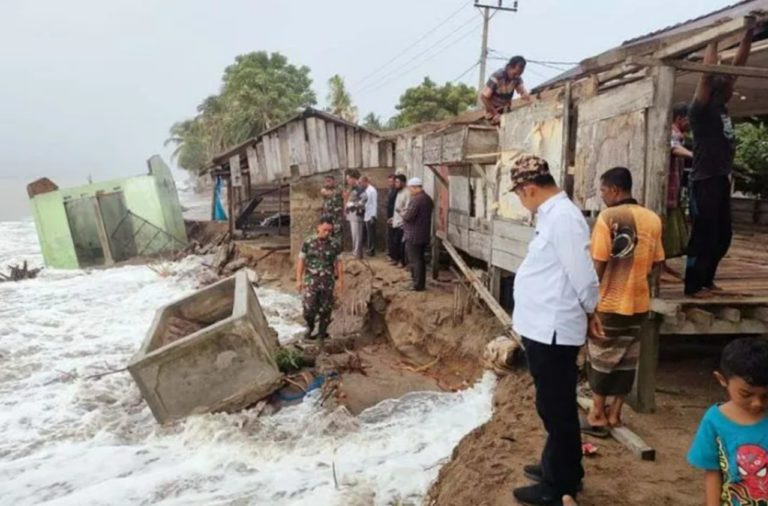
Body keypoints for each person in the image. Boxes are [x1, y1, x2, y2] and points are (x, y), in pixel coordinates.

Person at [509, 155, 601, 505]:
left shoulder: (563, 218)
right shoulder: (553, 216)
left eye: (520, 195)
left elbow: (582, 272)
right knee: (553, 405)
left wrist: (592, 309)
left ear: (529, 189)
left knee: (557, 408)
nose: (522, 202)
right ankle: (560, 467)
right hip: (543, 327)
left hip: (553, 330)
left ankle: (557, 486)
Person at [588, 167, 665, 429]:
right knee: (627, 358)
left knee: (600, 355)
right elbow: (658, 263)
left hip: (610, 300)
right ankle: (615, 413)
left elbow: (599, 262)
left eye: (602, 191)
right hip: (639, 301)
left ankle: (597, 412)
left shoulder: (608, 217)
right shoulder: (653, 219)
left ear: (614, 190)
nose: (602, 196)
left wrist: (588, 299)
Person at [685, 22, 757, 298]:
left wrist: (749, 31)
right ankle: (693, 285)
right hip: (703, 181)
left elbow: (740, 61)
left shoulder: (722, 106)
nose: (732, 84)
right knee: (703, 234)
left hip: (720, 179)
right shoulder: (700, 111)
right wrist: (713, 40)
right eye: (728, 83)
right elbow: (705, 76)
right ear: (718, 88)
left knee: (722, 236)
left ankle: (707, 280)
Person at [687, 337, 768, 505]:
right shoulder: (714, 421)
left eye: (766, 396)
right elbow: (712, 472)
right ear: (722, 380)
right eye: (746, 394)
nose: (757, 403)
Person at [296, 217, 344, 341]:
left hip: (327, 282)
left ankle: (322, 334)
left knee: (325, 309)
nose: (327, 233)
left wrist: (341, 281)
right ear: (318, 228)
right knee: (308, 307)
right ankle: (310, 327)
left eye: (329, 231)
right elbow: (301, 260)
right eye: (325, 230)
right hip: (311, 280)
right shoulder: (308, 242)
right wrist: (299, 279)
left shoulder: (335, 244)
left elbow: (339, 263)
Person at [664, 103, 693, 278]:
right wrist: (693, 155)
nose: (690, 124)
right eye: (688, 120)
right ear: (680, 119)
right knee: (664, 230)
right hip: (665, 191)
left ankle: (662, 264)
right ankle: (658, 266)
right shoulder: (672, 132)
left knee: (667, 231)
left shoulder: (680, 135)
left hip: (672, 192)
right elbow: (673, 148)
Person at [400, 177, 433, 292]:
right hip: (423, 234)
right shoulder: (428, 199)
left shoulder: (416, 200)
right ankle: (419, 283)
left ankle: (417, 285)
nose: (410, 191)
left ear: (415, 187)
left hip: (413, 235)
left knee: (415, 260)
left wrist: (402, 212)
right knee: (420, 259)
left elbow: (409, 216)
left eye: (410, 188)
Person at [481, 55, 530, 125]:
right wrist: (495, 114)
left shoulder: (517, 78)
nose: (517, 76)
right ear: (509, 68)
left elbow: (522, 91)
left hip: (505, 112)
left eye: (519, 74)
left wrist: (524, 94)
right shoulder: (497, 76)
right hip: (492, 112)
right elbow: (484, 97)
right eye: (515, 74)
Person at [344, 170, 367, 258]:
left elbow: (364, 199)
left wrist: (353, 205)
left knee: (357, 234)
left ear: (353, 179)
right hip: (352, 214)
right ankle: (355, 251)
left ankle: (357, 253)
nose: (347, 181)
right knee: (354, 234)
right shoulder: (352, 188)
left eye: (349, 179)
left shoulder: (359, 188)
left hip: (357, 214)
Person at [389, 174, 409, 267]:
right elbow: (397, 208)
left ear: (403, 182)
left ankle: (402, 261)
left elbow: (407, 209)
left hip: (402, 222)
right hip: (396, 221)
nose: (395, 183)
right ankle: (395, 259)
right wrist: (393, 218)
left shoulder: (407, 193)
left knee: (402, 244)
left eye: (397, 182)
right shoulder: (399, 192)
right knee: (395, 242)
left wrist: (401, 215)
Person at [320, 175, 344, 251]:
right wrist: (336, 192)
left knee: (337, 231)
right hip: (327, 214)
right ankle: (327, 247)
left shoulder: (339, 189)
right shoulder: (324, 189)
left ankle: (337, 248)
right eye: (326, 181)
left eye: (329, 181)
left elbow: (344, 195)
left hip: (337, 214)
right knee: (327, 230)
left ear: (334, 181)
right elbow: (325, 193)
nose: (327, 183)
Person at [361, 176, 378, 256]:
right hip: (366, 214)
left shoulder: (372, 190)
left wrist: (373, 216)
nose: (361, 184)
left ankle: (372, 250)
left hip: (371, 215)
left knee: (371, 234)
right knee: (368, 233)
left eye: (361, 183)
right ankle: (369, 249)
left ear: (366, 181)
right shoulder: (366, 190)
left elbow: (374, 203)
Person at [385, 174, 398, 261]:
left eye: (391, 181)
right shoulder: (390, 190)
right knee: (390, 236)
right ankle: (391, 254)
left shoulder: (397, 191)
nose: (390, 183)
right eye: (389, 181)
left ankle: (394, 257)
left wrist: (394, 217)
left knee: (394, 237)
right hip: (389, 216)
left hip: (395, 217)